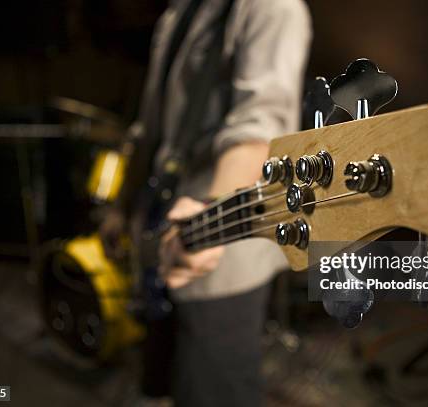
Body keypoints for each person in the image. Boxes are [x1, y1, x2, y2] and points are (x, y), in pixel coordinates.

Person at [99, 0, 311, 405]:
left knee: (215, 391)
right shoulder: (179, 12)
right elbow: (151, 128)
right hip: (162, 235)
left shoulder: (272, 8)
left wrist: (210, 209)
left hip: (220, 253)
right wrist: (121, 208)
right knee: (161, 383)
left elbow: (259, 128)